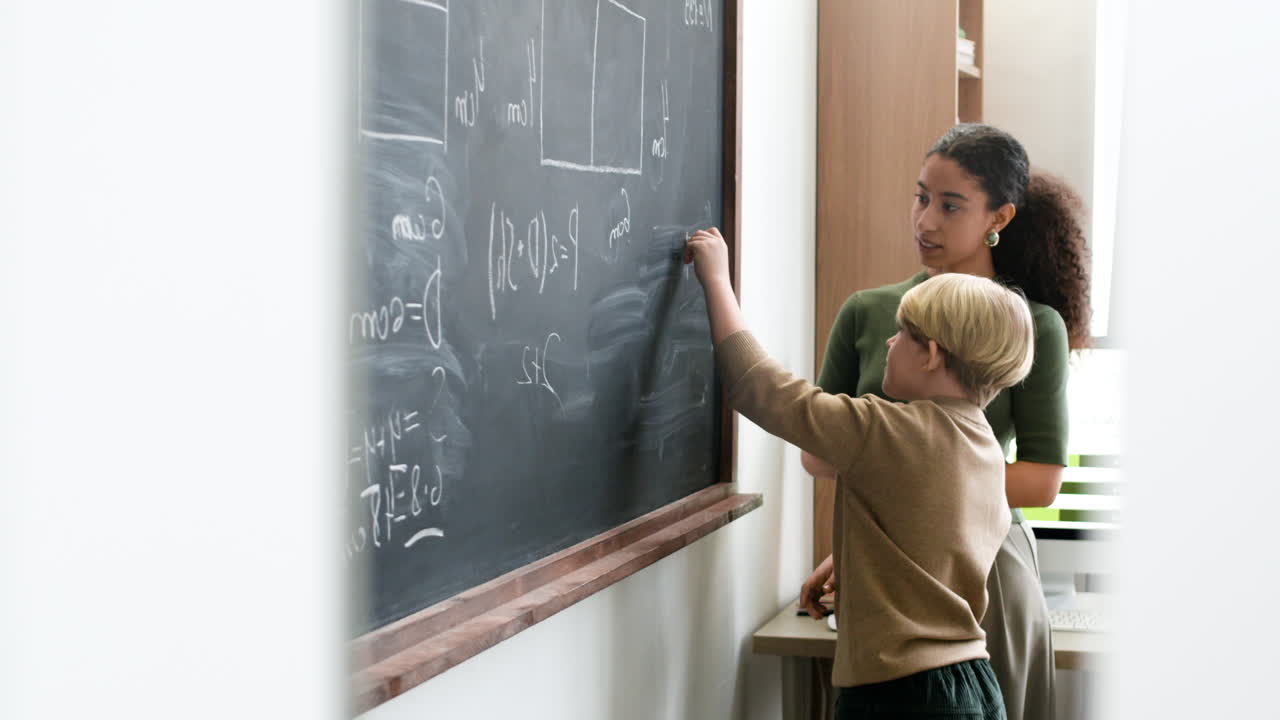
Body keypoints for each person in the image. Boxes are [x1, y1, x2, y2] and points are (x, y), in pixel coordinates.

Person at [800, 123, 1092, 720]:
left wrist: (916, 498)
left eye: (950, 205)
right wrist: (868, 547)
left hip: (988, 568)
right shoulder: (867, 311)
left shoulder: (1037, 326)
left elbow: (1040, 482)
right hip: (884, 573)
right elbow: (817, 452)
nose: (925, 221)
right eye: (921, 197)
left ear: (999, 217)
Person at [683, 229, 1035, 719]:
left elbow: (762, 390)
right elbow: (933, 537)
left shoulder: (888, 429)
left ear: (931, 353)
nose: (889, 341)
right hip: (973, 683)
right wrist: (847, 559)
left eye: (901, 333)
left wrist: (717, 280)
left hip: (900, 695)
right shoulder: (982, 446)